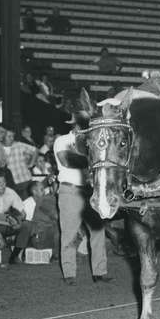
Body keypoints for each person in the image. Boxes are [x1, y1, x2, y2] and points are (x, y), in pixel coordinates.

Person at [55, 114, 109, 285]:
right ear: (75, 125)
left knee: (98, 232)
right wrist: (93, 158)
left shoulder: (91, 141)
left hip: (89, 191)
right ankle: (69, 273)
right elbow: (67, 160)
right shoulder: (62, 140)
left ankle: (99, 272)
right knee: (69, 233)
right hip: (70, 190)